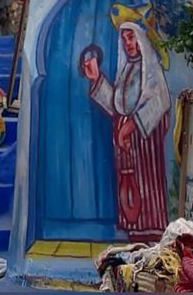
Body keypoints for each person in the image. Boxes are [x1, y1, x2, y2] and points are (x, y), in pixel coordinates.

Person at [79, 21, 170, 241]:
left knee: (147, 193)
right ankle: (135, 237)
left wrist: (130, 127)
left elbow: (160, 102)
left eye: (131, 38)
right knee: (129, 195)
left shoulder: (150, 71)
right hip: (128, 148)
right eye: (125, 39)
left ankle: (151, 237)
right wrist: (97, 78)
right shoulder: (127, 68)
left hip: (144, 147)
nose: (128, 43)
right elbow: (118, 106)